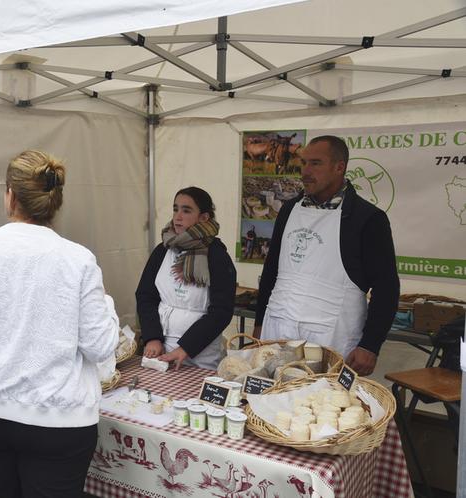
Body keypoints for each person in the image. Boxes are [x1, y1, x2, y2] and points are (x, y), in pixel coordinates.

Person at [0, 150, 118, 498]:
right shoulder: (78, 260)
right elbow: (100, 346)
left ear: (10, 195)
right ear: (55, 201)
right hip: (56, 420)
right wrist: (107, 307)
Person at [254, 136, 399, 376]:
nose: (306, 171)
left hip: (332, 336)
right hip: (278, 327)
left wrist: (370, 345)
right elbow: (271, 270)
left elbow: (387, 287)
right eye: (304, 163)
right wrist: (259, 323)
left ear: (339, 167)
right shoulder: (289, 210)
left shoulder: (367, 218)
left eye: (316, 164)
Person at [137, 187, 237, 370]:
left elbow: (221, 311)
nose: (178, 216)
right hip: (161, 350)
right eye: (175, 209)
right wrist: (152, 338)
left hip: (201, 355)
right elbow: (145, 296)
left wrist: (186, 348)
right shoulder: (162, 251)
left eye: (186, 210)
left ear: (204, 217)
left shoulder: (216, 255)